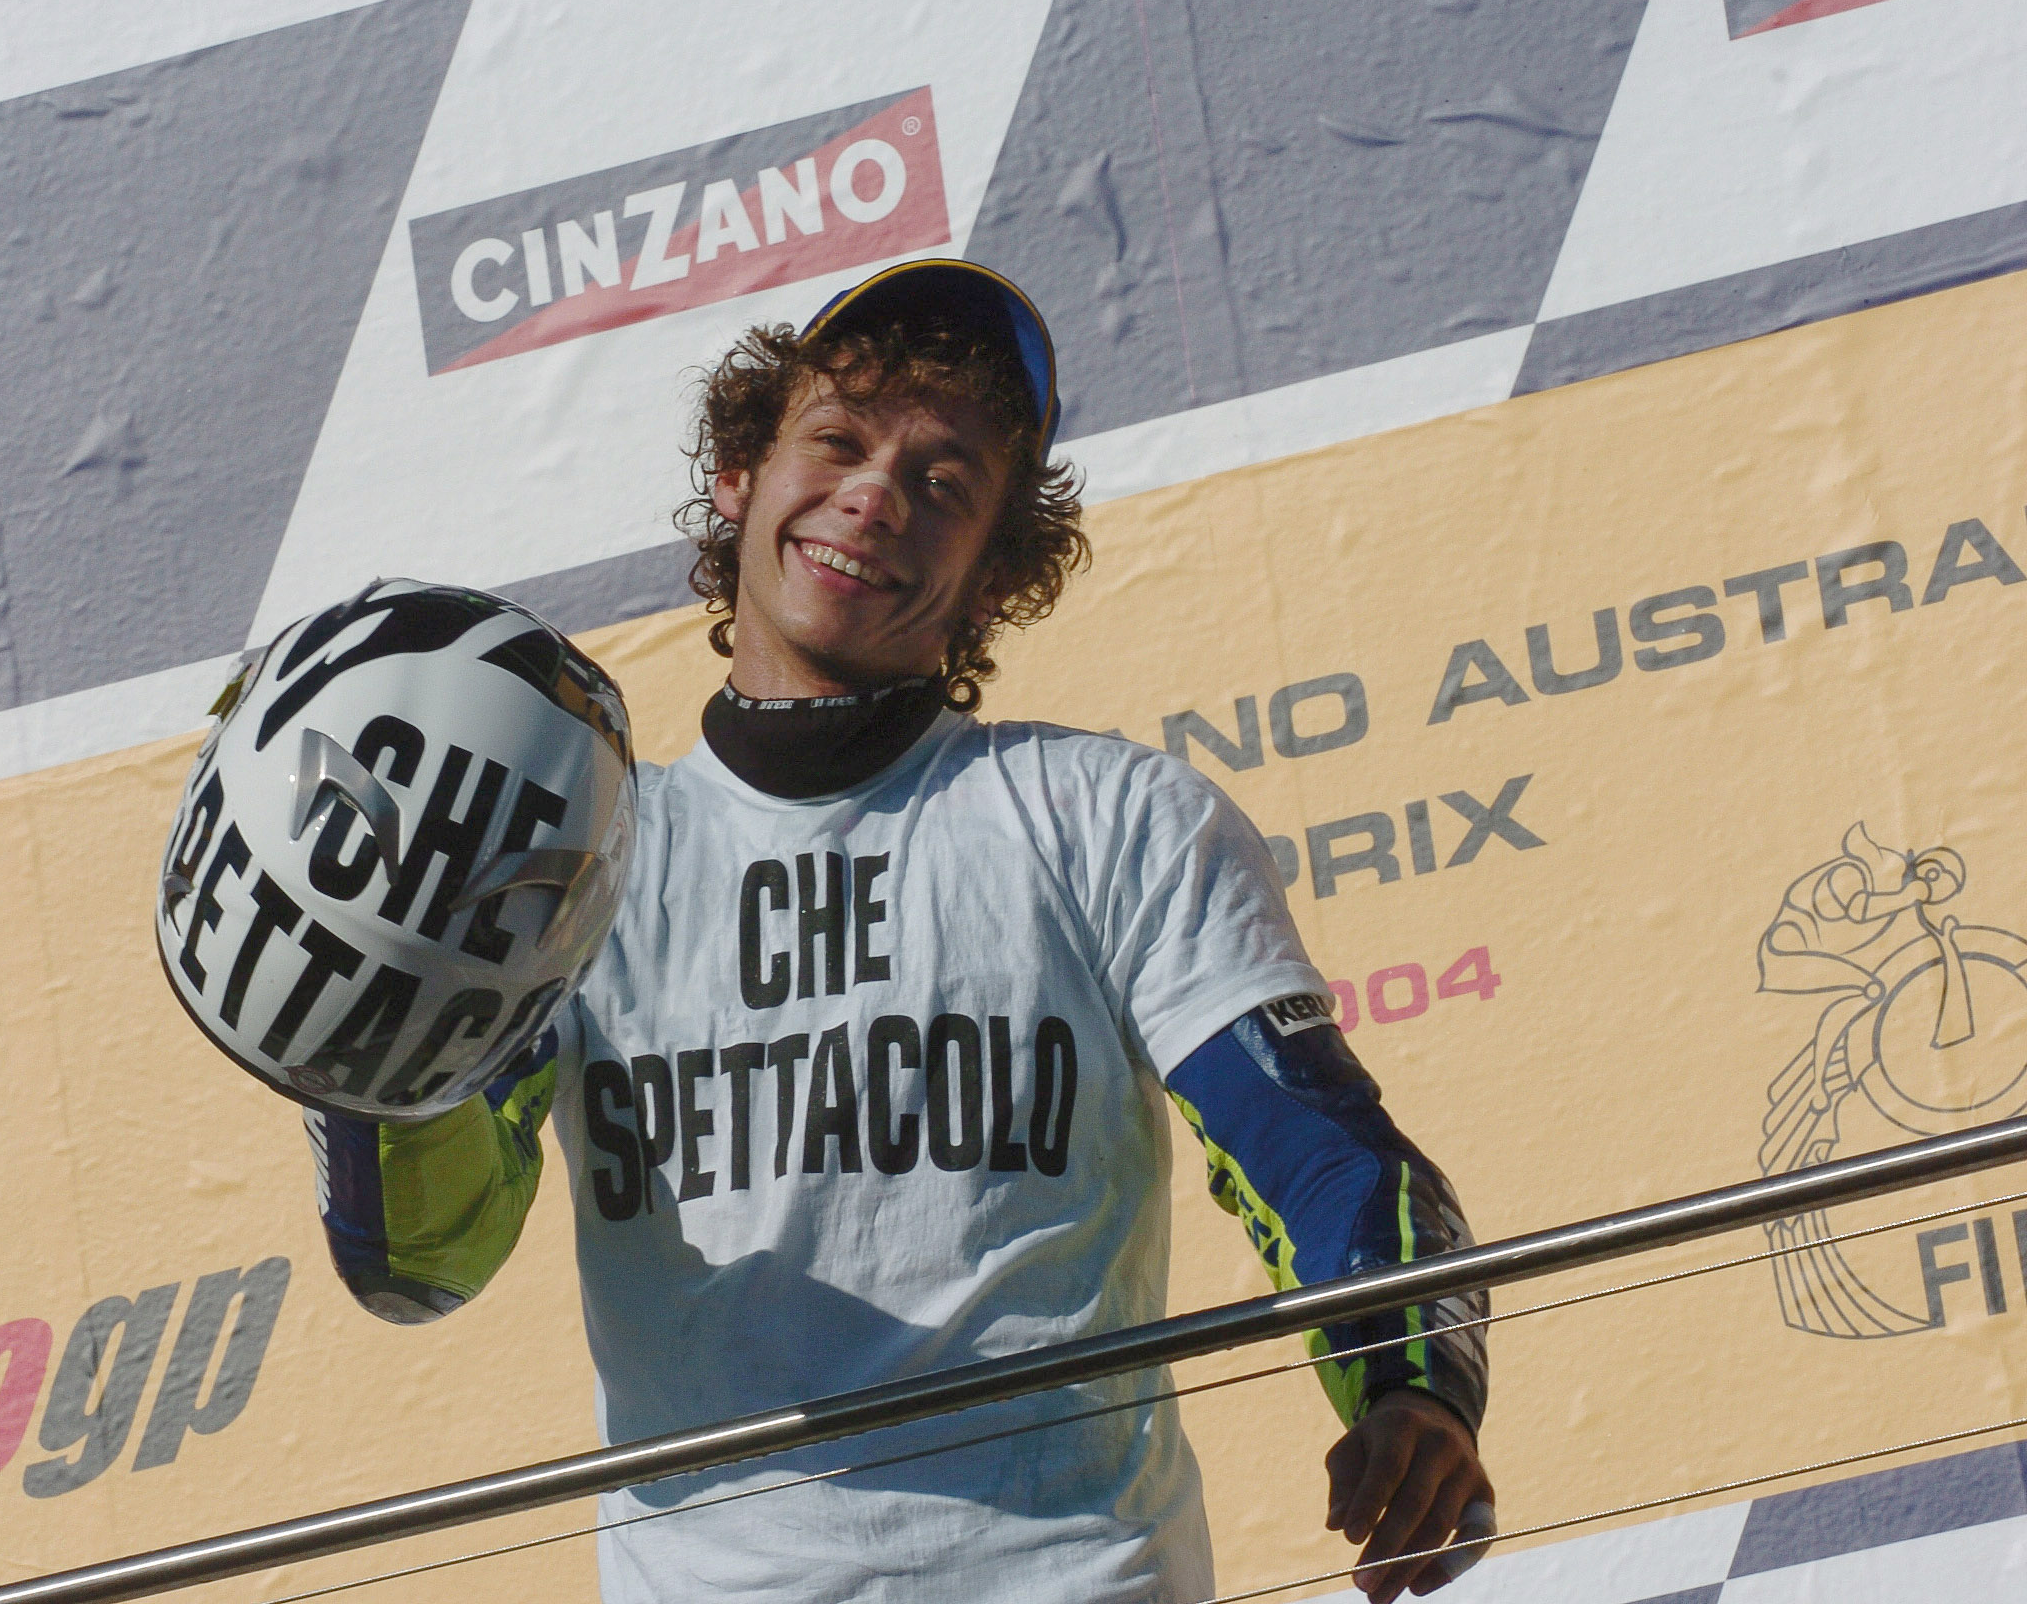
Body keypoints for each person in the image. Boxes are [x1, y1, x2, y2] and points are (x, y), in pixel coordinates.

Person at [306, 260, 1494, 1604]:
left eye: (943, 483)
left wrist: (1412, 1384)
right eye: (837, 441)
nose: (876, 496)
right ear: (738, 480)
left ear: (993, 578)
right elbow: (423, 1260)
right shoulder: (581, 860)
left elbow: (1317, 1156)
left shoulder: (1110, 817)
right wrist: (364, 1054)